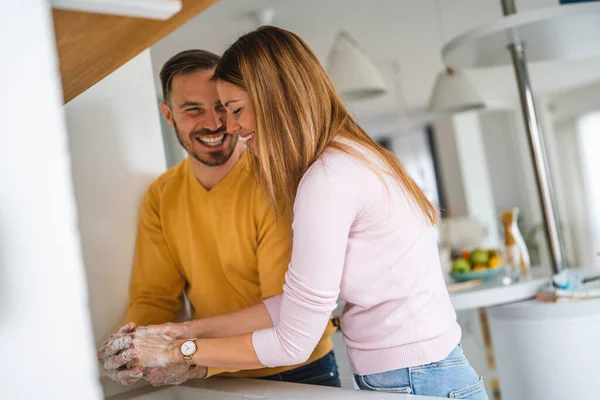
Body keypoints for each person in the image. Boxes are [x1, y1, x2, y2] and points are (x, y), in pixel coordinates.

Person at [125, 28, 488, 399]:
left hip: (417, 380)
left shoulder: (327, 178)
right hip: (424, 373)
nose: (230, 126)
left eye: (234, 109)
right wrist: (188, 332)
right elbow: (295, 303)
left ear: (271, 99)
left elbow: (294, 341)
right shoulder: (350, 155)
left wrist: (180, 352)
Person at [97, 49, 340, 388]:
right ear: (168, 115)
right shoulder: (161, 195)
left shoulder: (275, 180)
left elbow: (281, 311)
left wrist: (185, 351)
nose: (213, 124)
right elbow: (154, 297)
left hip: (298, 370)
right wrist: (133, 346)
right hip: (211, 371)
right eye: (193, 110)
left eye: (223, 108)